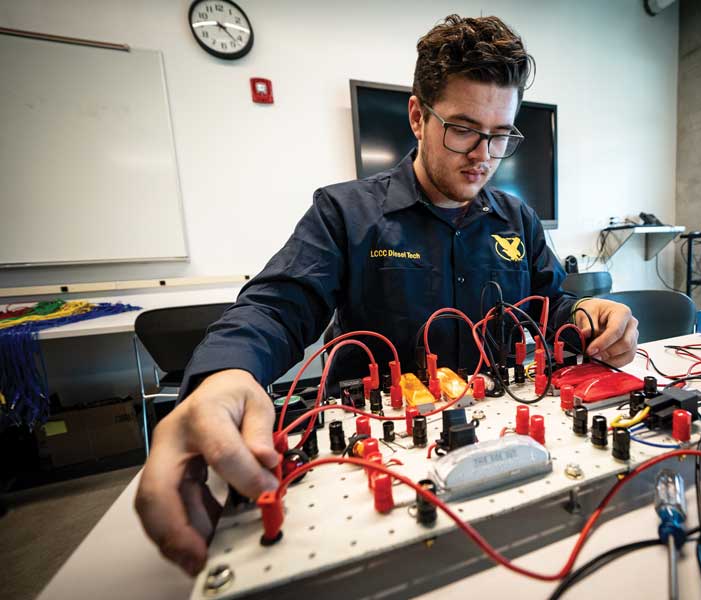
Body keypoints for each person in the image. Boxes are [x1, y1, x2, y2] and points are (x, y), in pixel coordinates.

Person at [135, 14, 638, 576]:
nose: (484, 156)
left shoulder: (516, 217)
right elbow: (278, 306)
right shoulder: (345, 213)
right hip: (387, 451)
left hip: (506, 437)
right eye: (465, 129)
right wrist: (227, 374)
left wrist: (590, 313)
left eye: (501, 135)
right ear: (418, 116)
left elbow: (550, 306)